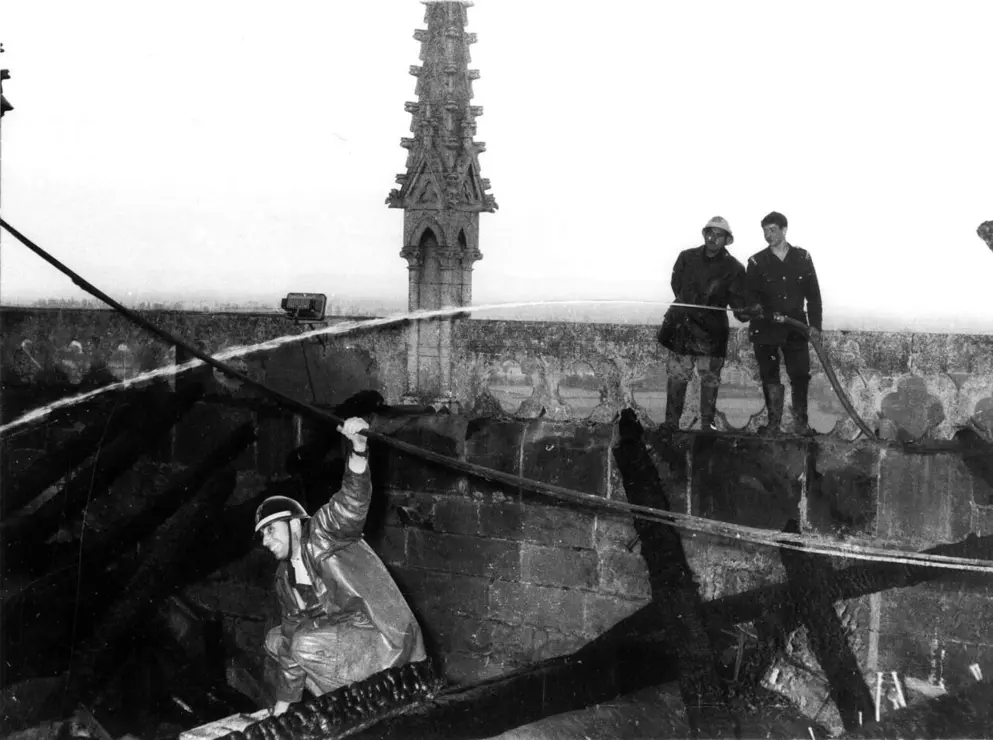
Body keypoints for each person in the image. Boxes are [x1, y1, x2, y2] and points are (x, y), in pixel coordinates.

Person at [256, 416, 426, 716]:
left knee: (304, 645)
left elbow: (351, 503)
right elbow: (291, 633)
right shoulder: (285, 579)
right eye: (262, 535)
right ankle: (337, 705)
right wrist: (281, 711)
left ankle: (365, 706)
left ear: (295, 524)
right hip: (343, 640)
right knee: (276, 640)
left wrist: (358, 450)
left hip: (378, 635)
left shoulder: (323, 533)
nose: (265, 541)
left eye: (271, 530)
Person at [658, 216, 747, 432]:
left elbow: (738, 303)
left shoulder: (734, 268)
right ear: (704, 234)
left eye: (719, 235)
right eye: (710, 233)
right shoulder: (686, 258)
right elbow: (676, 285)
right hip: (683, 327)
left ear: (727, 239)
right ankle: (671, 424)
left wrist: (746, 310)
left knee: (709, 378)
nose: (712, 238)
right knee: (677, 375)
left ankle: (707, 424)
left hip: (712, 332)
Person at [742, 211, 823, 436]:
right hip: (766, 329)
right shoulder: (756, 262)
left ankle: (800, 424)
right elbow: (750, 297)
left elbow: (814, 296)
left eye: (773, 230)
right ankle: (773, 425)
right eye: (765, 231)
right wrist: (756, 308)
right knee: (770, 375)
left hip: (796, 327)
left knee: (800, 375)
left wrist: (815, 326)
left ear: (784, 230)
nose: (768, 235)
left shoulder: (802, 258)